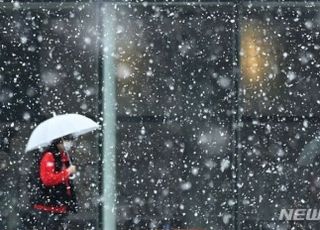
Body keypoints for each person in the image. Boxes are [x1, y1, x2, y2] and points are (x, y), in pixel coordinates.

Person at [28, 135, 78, 230]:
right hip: (48, 208)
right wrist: (67, 172)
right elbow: (47, 179)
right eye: (67, 140)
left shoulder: (64, 156)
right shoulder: (49, 156)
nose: (69, 144)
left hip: (59, 206)